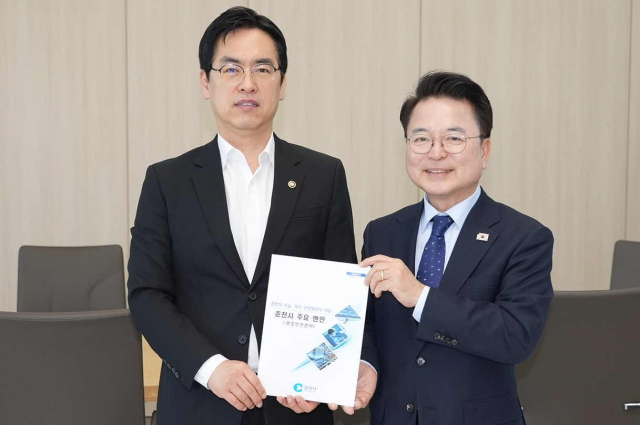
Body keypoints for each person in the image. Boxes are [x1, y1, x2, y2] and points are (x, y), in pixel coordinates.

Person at [127, 6, 356, 425]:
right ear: (205, 81)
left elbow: (341, 294)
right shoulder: (167, 181)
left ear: (282, 83)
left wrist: (317, 376)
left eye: (262, 69)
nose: (247, 83)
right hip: (200, 403)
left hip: (293, 408)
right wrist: (211, 368)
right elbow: (147, 295)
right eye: (231, 69)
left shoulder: (324, 176)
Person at [357, 71, 554, 425]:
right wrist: (365, 363)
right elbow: (367, 324)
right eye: (421, 139)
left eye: (453, 138)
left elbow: (515, 336)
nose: (436, 153)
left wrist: (420, 296)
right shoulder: (382, 232)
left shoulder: (523, 237)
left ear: (485, 150)